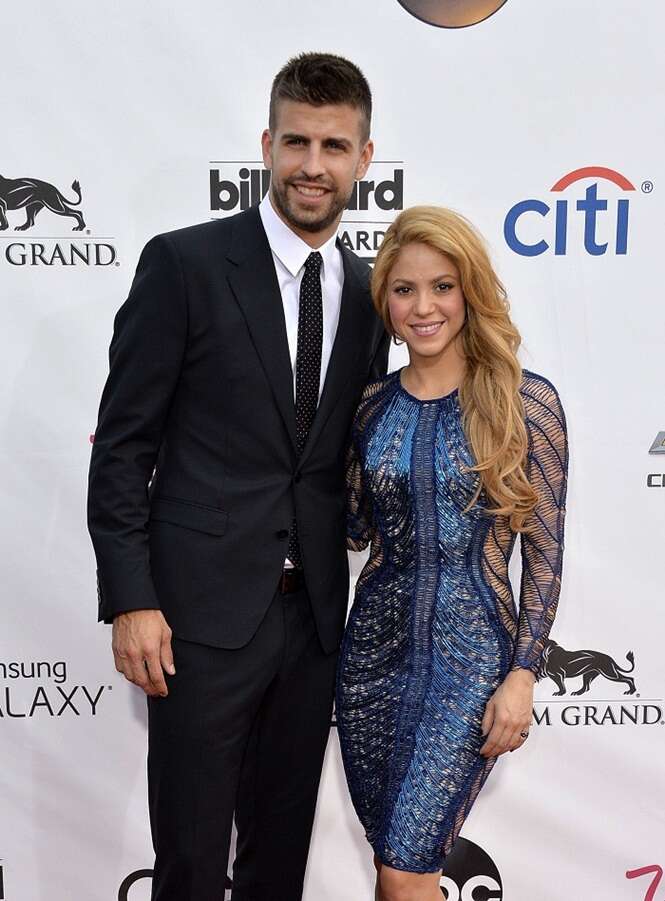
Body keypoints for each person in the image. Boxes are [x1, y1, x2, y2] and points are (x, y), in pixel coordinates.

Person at [87, 53, 389, 901]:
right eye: (296, 141)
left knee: (278, 858)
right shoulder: (183, 264)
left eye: (334, 146)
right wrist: (131, 597)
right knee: (187, 858)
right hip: (196, 619)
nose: (312, 166)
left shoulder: (373, 295)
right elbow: (121, 446)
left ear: (365, 158)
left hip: (314, 620)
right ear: (266, 144)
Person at [336, 206, 568, 901]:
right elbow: (350, 529)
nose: (423, 305)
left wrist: (523, 671)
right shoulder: (370, 406)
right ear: (385, 302)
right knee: (396, 869)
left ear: (469, 289)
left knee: (405, 871)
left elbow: (546, 552)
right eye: (404, 290)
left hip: (471, 666)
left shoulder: (525, 403)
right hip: (370, 662)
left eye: (442, 285)